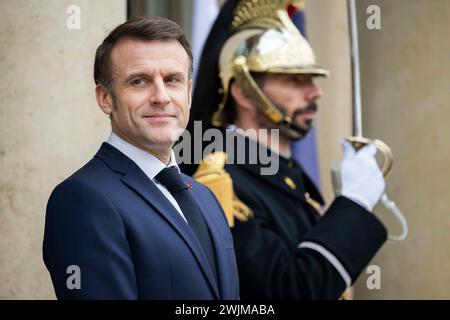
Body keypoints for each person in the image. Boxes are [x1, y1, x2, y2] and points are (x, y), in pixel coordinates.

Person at [180, 0, 387, 299]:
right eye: (294, 79)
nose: (315, 91)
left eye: (312, 78)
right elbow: (287, 292)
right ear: (243, 92)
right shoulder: (220, 181)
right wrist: (353, 204)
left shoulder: (286, 174)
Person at [43, 16, 239, 300]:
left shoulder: (205, 196)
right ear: (105, 98)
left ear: (188, 92)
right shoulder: (81, 200)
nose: (161, 97)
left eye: (172, 80)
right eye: (139, 81)